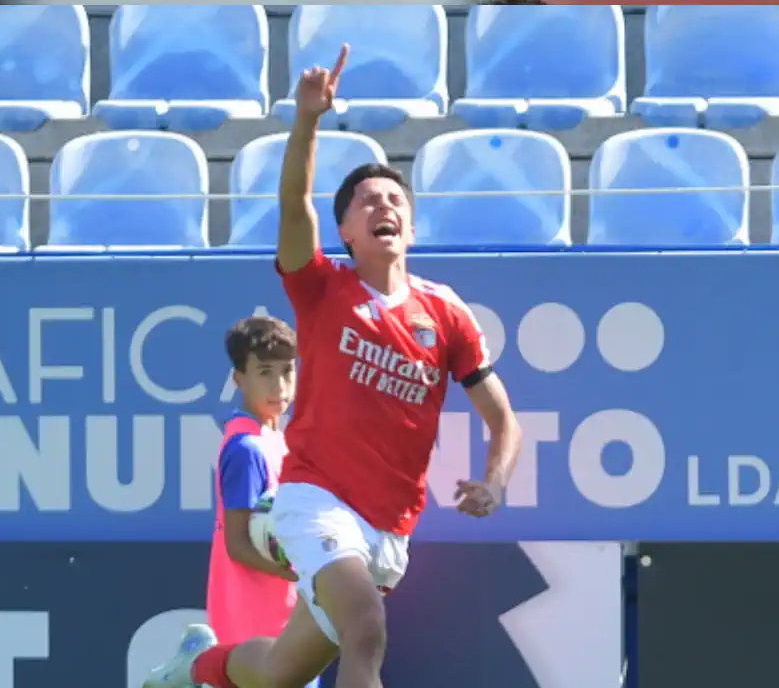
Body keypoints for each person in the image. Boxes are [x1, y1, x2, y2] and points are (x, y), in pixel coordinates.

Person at [144, 44, 523, 688]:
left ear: (410, 222)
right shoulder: (323, 288)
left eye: (394, 200)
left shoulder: (447, 312)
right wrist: (308, 121)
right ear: (344, 229)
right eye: (368, 201)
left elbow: (503, 419)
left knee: (281, 672)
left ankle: (195, 667)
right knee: (367, 629)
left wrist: (495, 480)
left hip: (389, 527)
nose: (384, 208)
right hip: (314, 501)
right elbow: (294, 209)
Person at [206, 317, 309, 666]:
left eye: (287, 371)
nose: (279, 385)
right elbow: (237, 544)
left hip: (289, 620)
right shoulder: (246, 448)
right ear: (239, 379)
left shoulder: (278, 440)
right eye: (265, 372)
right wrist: (299, 571)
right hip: (253, 626)